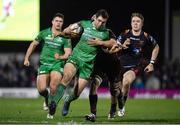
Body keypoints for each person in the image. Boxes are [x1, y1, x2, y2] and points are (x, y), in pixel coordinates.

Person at [47, 9, 116, 118]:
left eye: (103, 22)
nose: (100, 23)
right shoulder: (84, 24)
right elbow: (66, 31)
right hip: (75, 57)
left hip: (88, 64)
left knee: (77, 93)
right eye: (99, 20)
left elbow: (113, 43)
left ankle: (67, 101)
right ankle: (53, 104)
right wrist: (68, 30)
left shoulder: (106, 32)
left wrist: (100, 42)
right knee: (66, 78)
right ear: (94, 17)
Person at [108, 12, 160, 119]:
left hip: (134, 66)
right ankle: (114, 107)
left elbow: (156, 47)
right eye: (133, 21)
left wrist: (151, 63)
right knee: (114, 90)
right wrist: (122, 46)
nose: (135, 23)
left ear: (142, 24)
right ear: (131, 23)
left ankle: (121, 106)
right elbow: (113, 49)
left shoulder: (146, 36)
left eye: (138, 21)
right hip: (119, 65)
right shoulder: (125, 34)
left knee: (126, 82)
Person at [23, 13, 72, 114]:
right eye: (56, 21)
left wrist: (61, 57)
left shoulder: (65, 37)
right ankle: (46, 97)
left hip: (57, 64)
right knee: (41, 90)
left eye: (60, 21)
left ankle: (52, 107)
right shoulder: (44, 33)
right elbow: (33, 44)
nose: (58, 23)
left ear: (63, 23)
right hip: (44, 64)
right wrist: (26, 58)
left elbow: (68, 53)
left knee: (53, 86)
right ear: (52, 22)